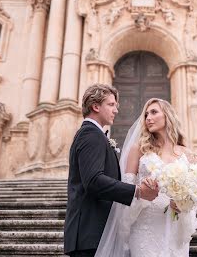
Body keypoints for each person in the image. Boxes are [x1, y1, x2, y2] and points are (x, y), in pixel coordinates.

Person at [96, 97, 197, 257]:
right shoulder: (138, 149)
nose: (148, 118)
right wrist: (142, 192)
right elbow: (127, 191)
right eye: (146, 115)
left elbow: (196, 194)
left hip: (174, 226)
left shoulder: (186, 153)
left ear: (167, 115)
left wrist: (183, 204)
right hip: (145, 226)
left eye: (153, 112)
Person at [64, 84, 159, 257]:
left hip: (92, 234)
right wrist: (138, 191)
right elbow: (93, 181)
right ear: (95, 106)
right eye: (111, 105)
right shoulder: (90, 134)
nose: (116, 110)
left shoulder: (94, 134)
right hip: (89, 233)